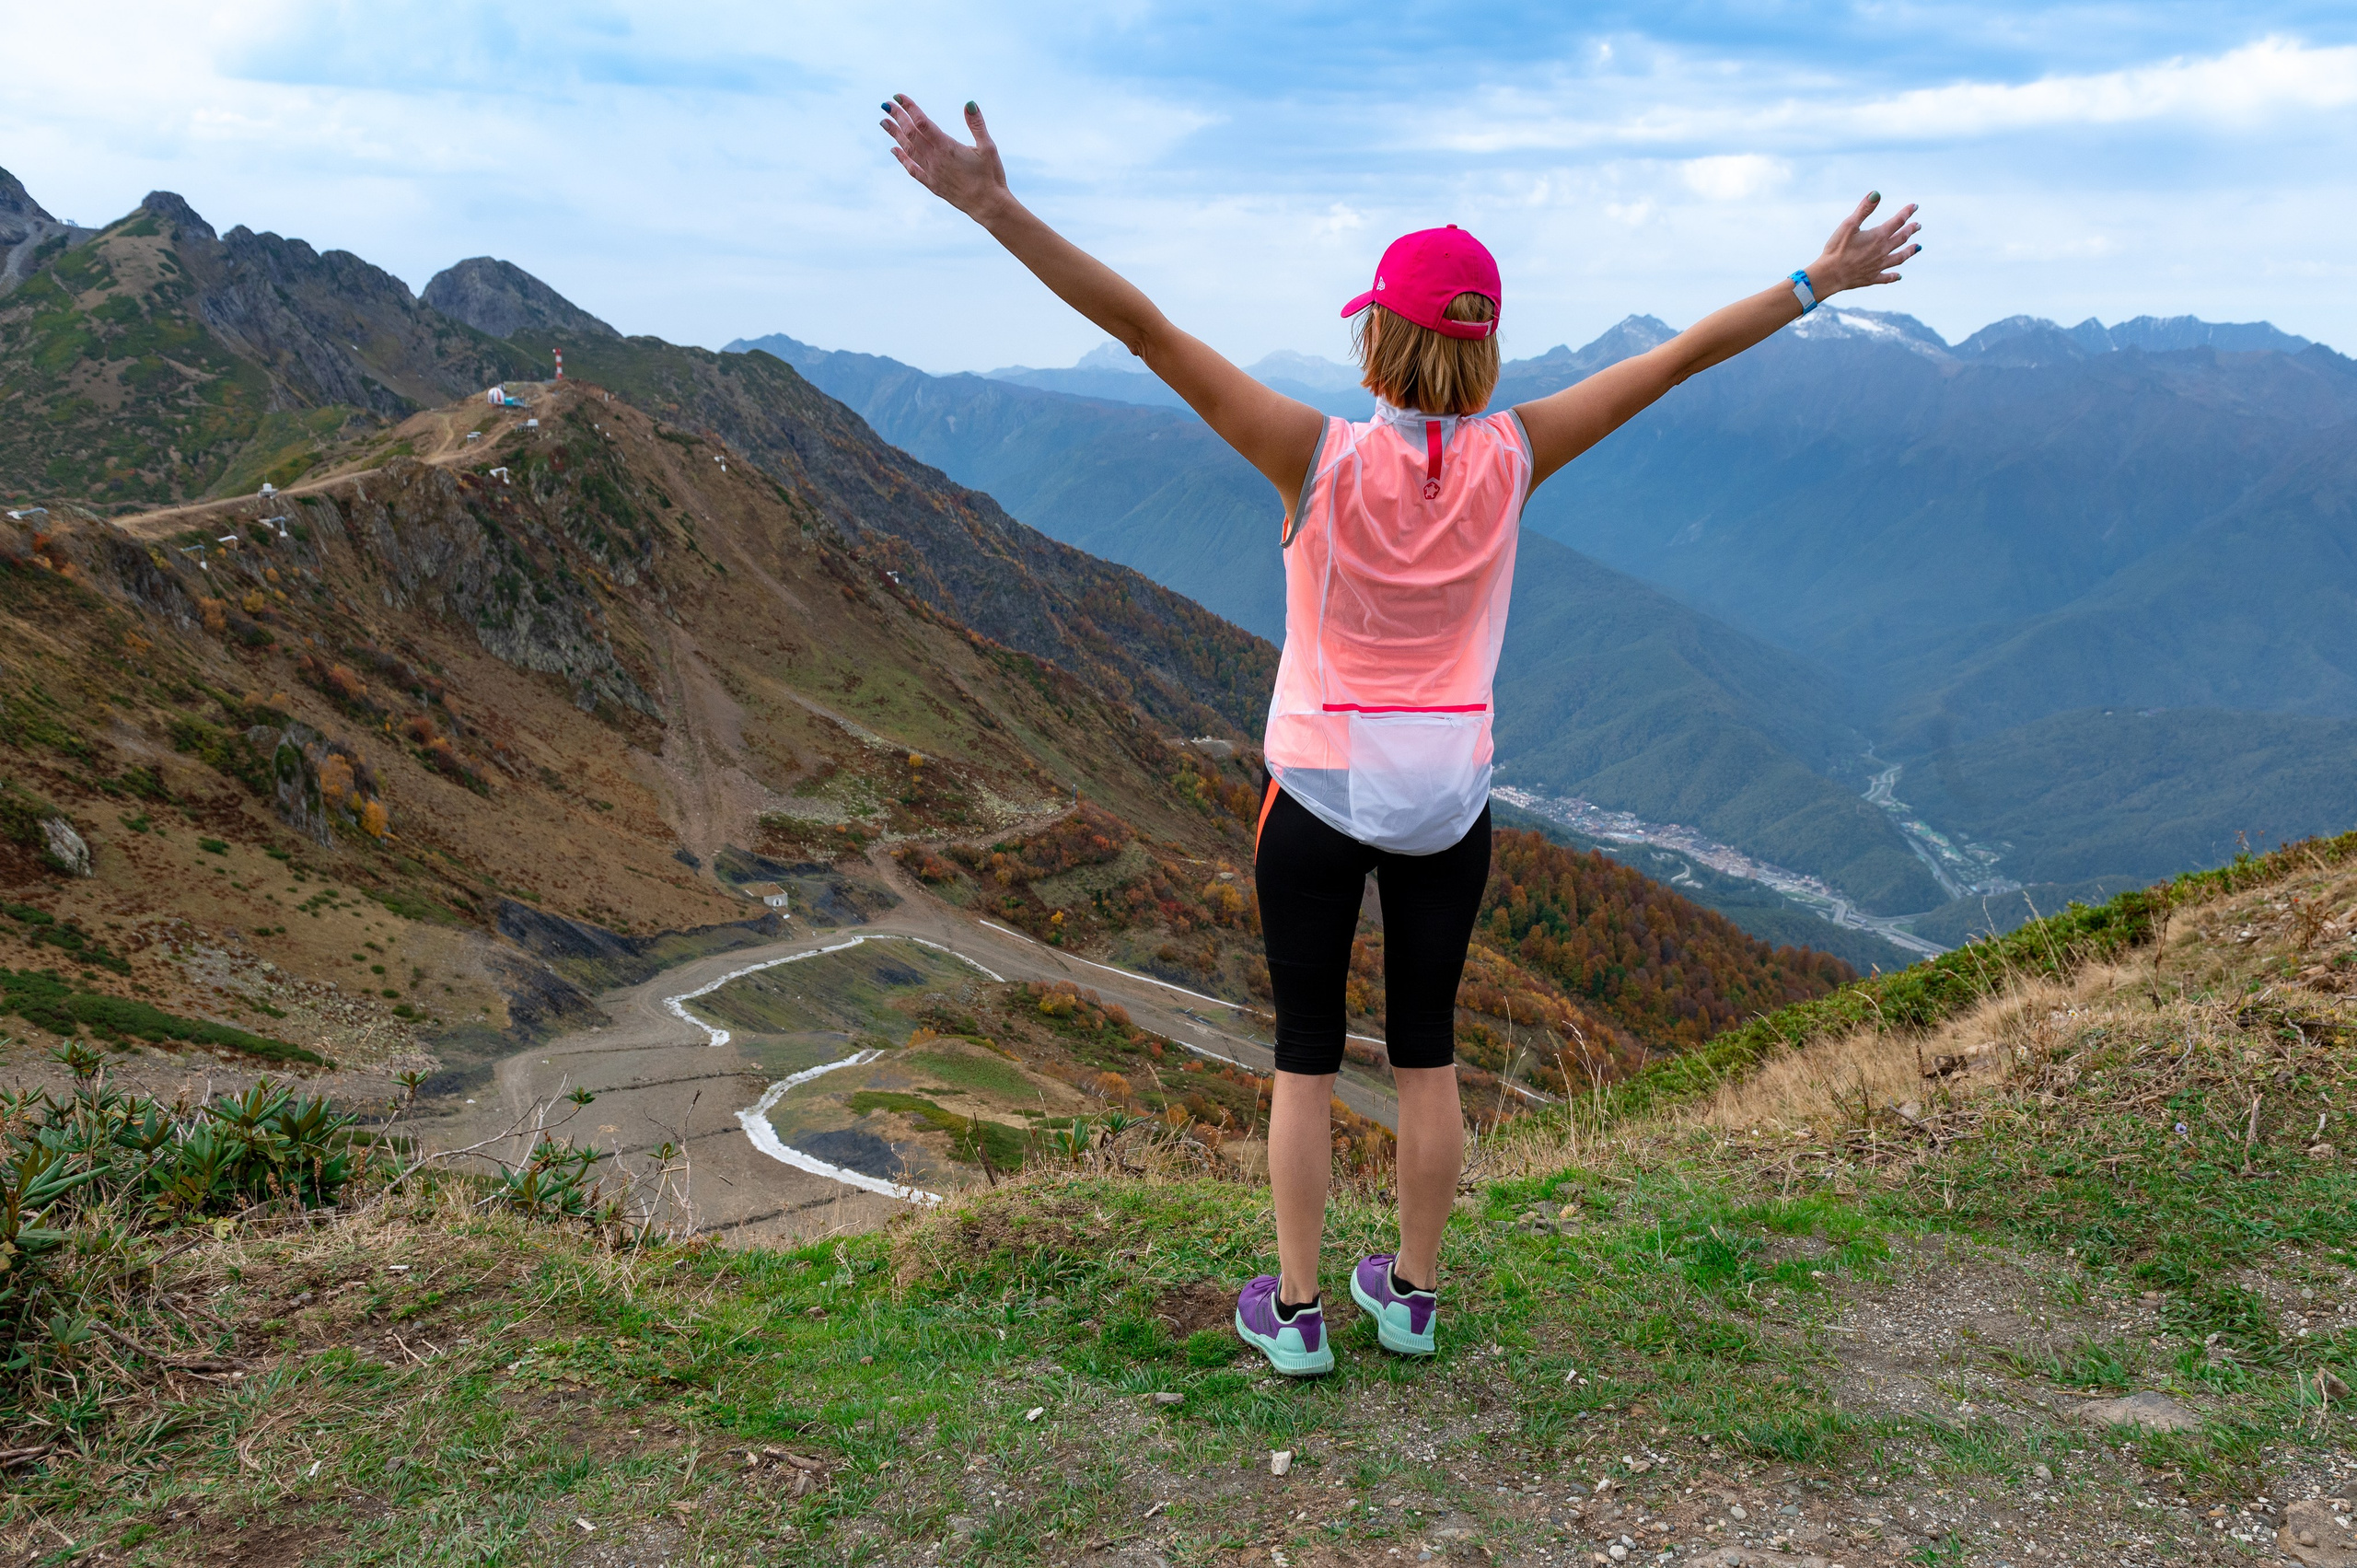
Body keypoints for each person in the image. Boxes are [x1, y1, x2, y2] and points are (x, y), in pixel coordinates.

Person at [881, 95, 1920, 1375]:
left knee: (1306, 1058)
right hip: (1450, 802)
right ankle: (1414, 1296)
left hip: (1317, 794)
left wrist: (990, 207)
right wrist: (1819, 279)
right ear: (1483, 356)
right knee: (1426, 1052)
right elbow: (1682, 358)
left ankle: (1301, 1312)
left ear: (1375, 337)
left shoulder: (1310, 456)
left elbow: (1142, 329)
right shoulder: (1518, 453)